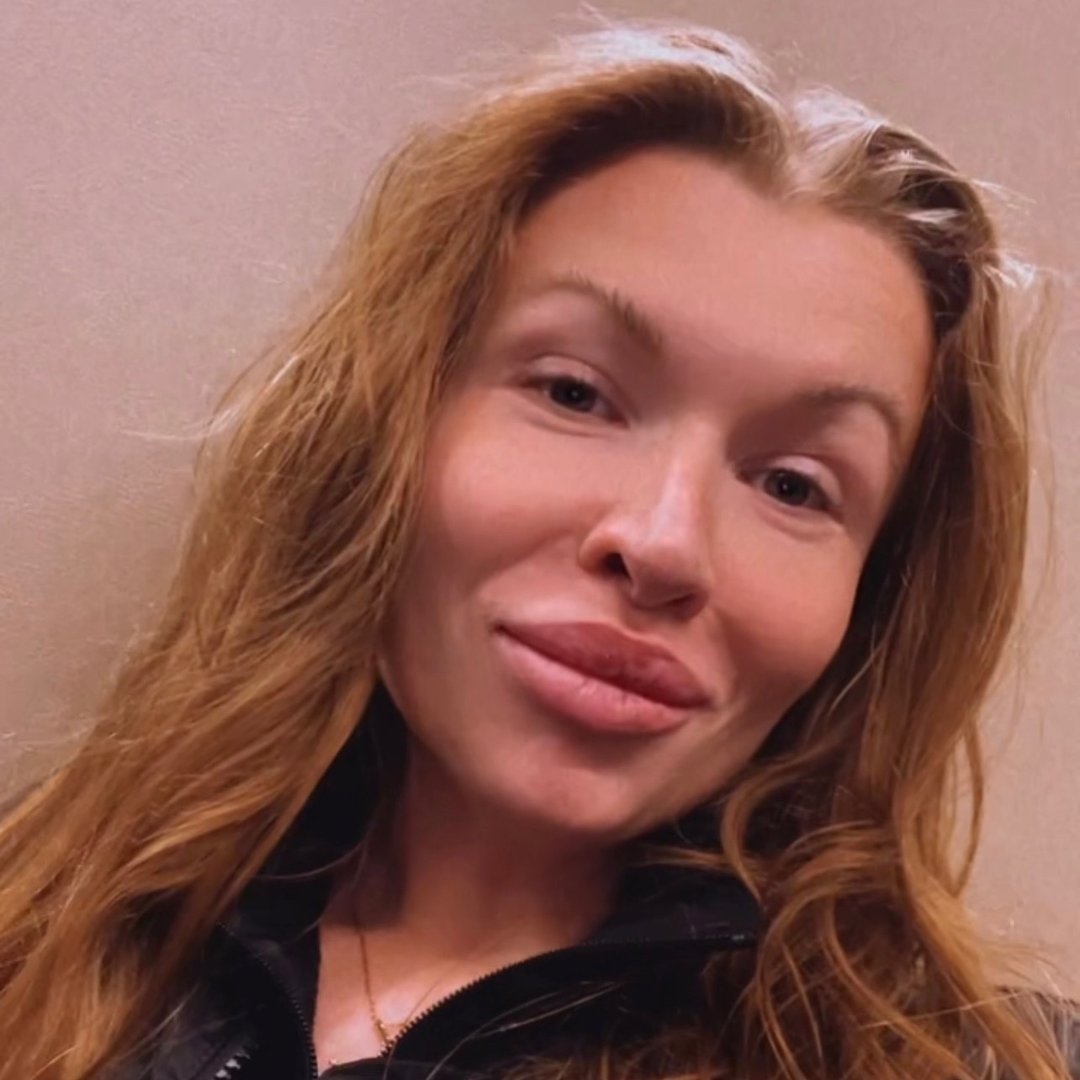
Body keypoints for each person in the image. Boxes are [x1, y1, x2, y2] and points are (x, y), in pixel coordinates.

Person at [0, 16, 1075, 1080]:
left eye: (794, 485)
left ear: (872, 594)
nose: (662, 543)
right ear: (390, 424)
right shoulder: (36, 922)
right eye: (574, 394)